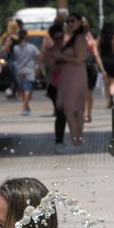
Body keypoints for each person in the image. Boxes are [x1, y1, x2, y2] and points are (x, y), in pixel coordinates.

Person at [56, 13, 88, 154]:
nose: (70, 23)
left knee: (70, 109)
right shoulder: (74, 37)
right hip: (70, 75)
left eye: (72, 21)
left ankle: (76, 142)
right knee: (74, 110)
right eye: (68, 21)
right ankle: (76, 141)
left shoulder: (80, 38)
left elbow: (79, 59)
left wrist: (61, 56)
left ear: (80, 22)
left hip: (75, 76)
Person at [41, 23, 69, 153]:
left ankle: (66, 140)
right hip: (54, 87)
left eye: (61, 38)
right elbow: (53, 68)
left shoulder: (67, 49)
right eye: (56, 38)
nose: (59, 41)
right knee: (61, 114)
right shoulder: (49, 52)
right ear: (52, 38)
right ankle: (59, 141)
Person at [12, 29, 41, 116]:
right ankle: (24, 108)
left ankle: (26, 106)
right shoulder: (32, 47)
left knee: (23, 90)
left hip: (19, 71)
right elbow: (38, 56)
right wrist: (37, 65)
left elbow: (15, 58)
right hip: (29, 70)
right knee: (27, 89)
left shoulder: (15, 48)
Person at [82, 17, 105, 123]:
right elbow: (96, 55)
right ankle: (87, 114)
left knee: (85, 93)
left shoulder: (76, 39)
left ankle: (86, 114)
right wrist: (102, 70)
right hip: (90, 69)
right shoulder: (91, 40)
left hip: (83, 69)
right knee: (88, 93)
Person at [98, 21, 114, 109]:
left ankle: (108, 101)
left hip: (103, 60)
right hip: (112, 59)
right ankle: (111, 94)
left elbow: (97, 49)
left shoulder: (100, 37)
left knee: (106, 82)